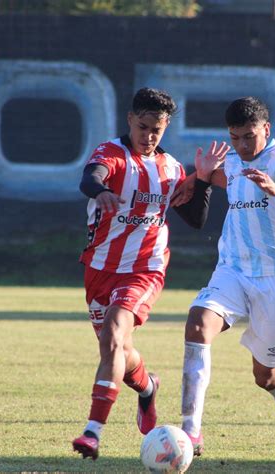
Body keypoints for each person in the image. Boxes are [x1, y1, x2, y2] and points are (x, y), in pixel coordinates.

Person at [72, 87, 230, 460]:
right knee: (119, 351)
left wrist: (203, 181)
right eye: (143, 127)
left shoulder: (171, 169)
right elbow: (89, 178)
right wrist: (101, 191)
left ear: (166, 127)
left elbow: (195, 219)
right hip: (99, 268)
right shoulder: (111, 154)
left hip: (145, 269)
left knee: (114, 331)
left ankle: (92, 432)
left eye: (156, 130)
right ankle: (147, 388)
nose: (149, 136)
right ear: (131, 120)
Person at [179, 96, 275, 456]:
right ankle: (190, 433)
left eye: (249, 137)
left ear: (266, 129)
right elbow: (212, 182)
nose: (242, 146)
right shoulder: (230, 160)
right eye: (235, 138)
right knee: (198, 323)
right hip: (233, 269)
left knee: (266, 376)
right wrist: (198, 177)